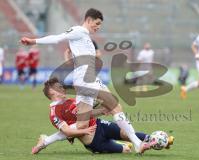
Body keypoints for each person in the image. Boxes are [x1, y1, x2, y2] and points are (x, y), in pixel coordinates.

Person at [20, 8, 153, 153]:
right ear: (88, 20)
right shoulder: (78, 31)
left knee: (82, 125)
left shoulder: (84, 37)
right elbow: (57, 38)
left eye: (100, 25)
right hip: (86, 81)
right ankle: (137, 143)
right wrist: (33, 40)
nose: (98, 27)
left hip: (83, 82)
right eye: (97, 23)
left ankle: (45, 141)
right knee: (116, 107)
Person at [31, 78, 174, 154]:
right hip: (94, 141)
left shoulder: (71, 101)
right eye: (57, 91)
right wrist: (83, 131)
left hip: (99, 125)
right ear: (52, 95)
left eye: (60, 88)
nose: (61, 91)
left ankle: (159, 140)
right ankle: (45, 140)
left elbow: (85, 115)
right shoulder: (54, 113)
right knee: (126, 150)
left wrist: (100, 110)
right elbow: (67, 131)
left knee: (126, 132)